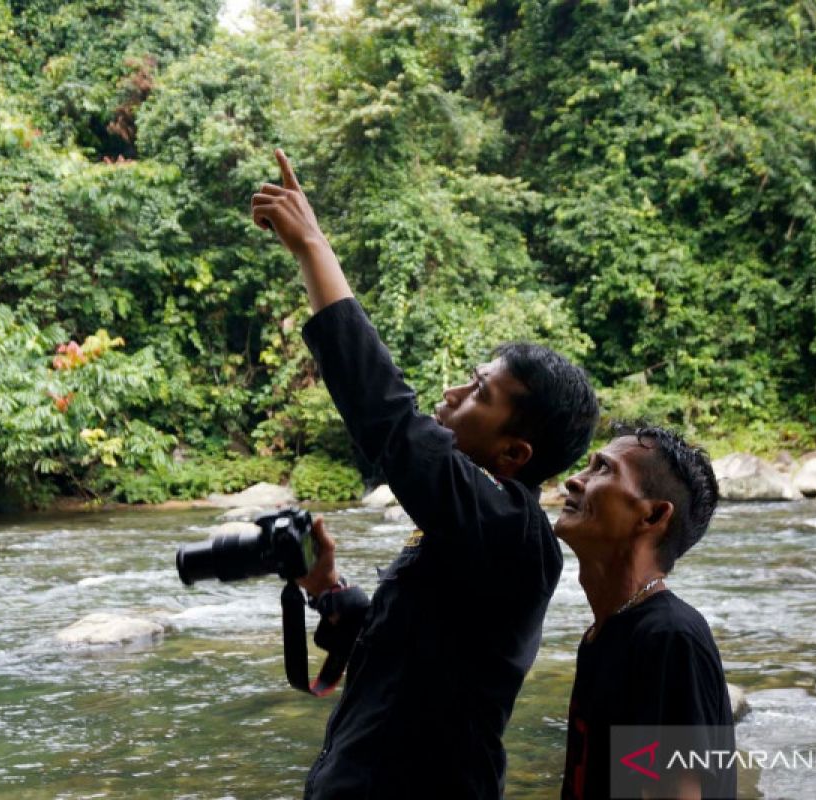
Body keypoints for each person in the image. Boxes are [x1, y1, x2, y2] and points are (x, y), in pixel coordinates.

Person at [250, 149, 599, 799]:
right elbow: (417, 651)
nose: (451, 392)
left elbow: (390, 418)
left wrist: (313, 248)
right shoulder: (471, 529)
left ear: (514, 454)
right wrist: (328, 588)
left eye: (478, 393)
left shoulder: (510, 531)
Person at [554, 424, 735, 800]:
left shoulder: (668, 639)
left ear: (652, 516)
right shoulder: (606, 632)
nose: (574, 480)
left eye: (602, 469)